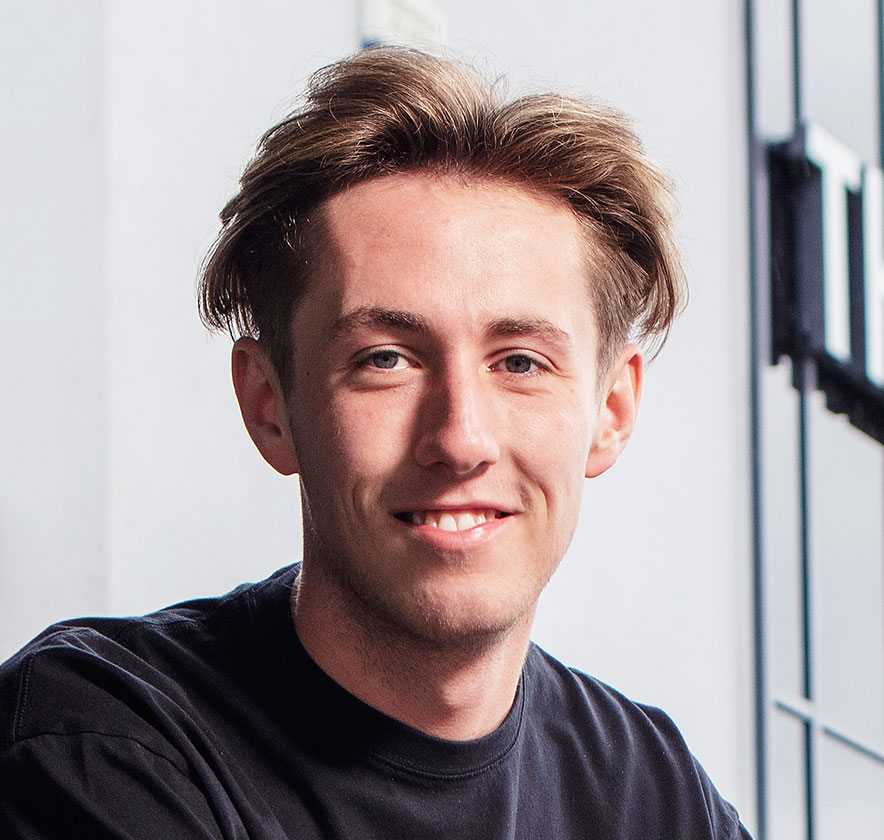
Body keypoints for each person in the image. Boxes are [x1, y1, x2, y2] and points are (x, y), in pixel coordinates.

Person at [0, 46, 752, 838]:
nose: (461, 438)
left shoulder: (658, 798)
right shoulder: (101, 744)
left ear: (613, 408)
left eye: (521, 362)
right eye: (385, 359)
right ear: (269, 404)